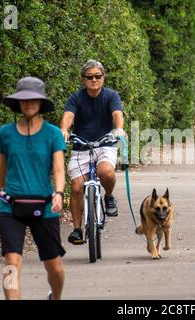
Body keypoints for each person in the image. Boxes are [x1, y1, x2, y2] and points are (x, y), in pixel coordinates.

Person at [0, 77, 66, 300]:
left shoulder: (53, 133)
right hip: (10, 206)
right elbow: (3, 166)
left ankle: (55, 296)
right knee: (11, 262)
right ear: (17, 103)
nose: (28, 104)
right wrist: (2, 191)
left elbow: (58, 168)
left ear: (41, 102)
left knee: (54, 266)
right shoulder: (5, 133)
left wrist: (59, 193)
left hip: (44, 204)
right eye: (23, 100)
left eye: (33, 99)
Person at [61, 60, 125, 245]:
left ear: (103, 77)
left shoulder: (111, 96)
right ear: (83, 79)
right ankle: (77, 230)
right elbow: (68, 115)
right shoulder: (75, 98)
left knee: (105, 171)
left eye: (98, 76)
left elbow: (117, 114)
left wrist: (118, 129)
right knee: (75, 186)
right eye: (90, 77)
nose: (94, 80)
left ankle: (109, 196)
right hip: (81, 146)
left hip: (105, 144)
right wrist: (64, 130)